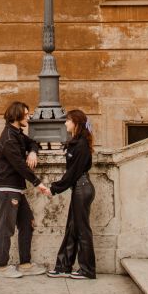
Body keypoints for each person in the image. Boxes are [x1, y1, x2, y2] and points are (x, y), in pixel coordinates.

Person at [0, 101, 51, 278]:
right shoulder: (8, 138)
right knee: (6, 227)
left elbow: (33, 142)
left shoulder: (17, 133)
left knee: (27, 223)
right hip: (6, 187)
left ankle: (25, 264)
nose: (28, 117)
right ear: (17, 115)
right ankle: (1, 267)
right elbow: (19, 165)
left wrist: (32, 152)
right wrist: (38, 183)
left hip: (16, 188)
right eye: (26, 114)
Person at [46, 109, 96, 279]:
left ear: (76, 123)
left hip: (82, 188)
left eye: (67, 120)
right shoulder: (76, 142)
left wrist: (54, 188)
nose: (65, 123)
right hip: (79, 188)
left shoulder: (81, 145)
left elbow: (73, 173)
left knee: (82, 230)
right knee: (72, 228)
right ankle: (63, 266)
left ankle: (87, 270)